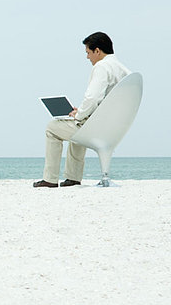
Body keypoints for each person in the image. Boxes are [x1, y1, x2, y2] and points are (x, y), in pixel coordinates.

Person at [33, 32, 131, 188]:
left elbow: (92, 97)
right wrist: (81, 114)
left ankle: (50, 179)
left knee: (52, 128)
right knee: (78, 125)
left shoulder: (102, 67)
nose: (87, 57)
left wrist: (78, 115)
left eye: (88, 52)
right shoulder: (123, 70)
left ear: (97, 51)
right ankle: (72, 178)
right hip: (115, 127)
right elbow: (106, 101)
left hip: (99, 129)